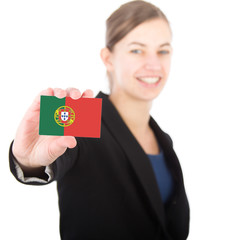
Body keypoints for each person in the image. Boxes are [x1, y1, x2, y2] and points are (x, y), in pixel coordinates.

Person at [9, 1, 190, 239]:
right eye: (137, 50)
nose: (154, 64)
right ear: (108, 59)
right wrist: (27, 161)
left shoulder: (164, 139)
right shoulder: (83, 119)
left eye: (163, 50)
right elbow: (51, 157)